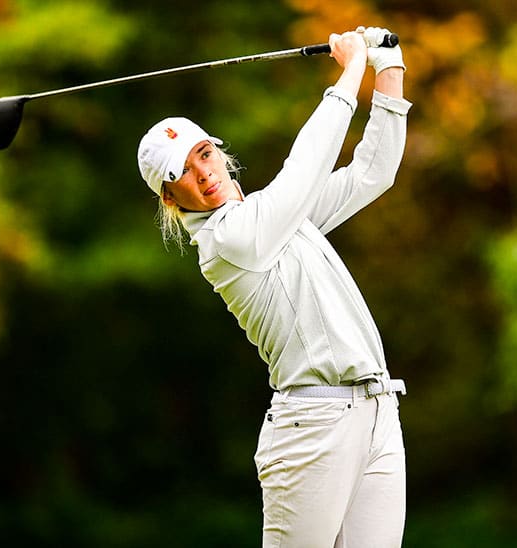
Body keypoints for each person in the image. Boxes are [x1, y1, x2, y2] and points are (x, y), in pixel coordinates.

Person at [137, 26, 411, 548]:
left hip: (377, 413)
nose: (203, 174)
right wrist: (351, 69)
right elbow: (304, 167)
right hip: (312, 427)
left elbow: (373, 173)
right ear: (172, 200)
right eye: (183, 173)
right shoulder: (228, 242)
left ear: (217, 150)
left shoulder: (278, 217)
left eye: (203, 154)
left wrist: (389, 65)